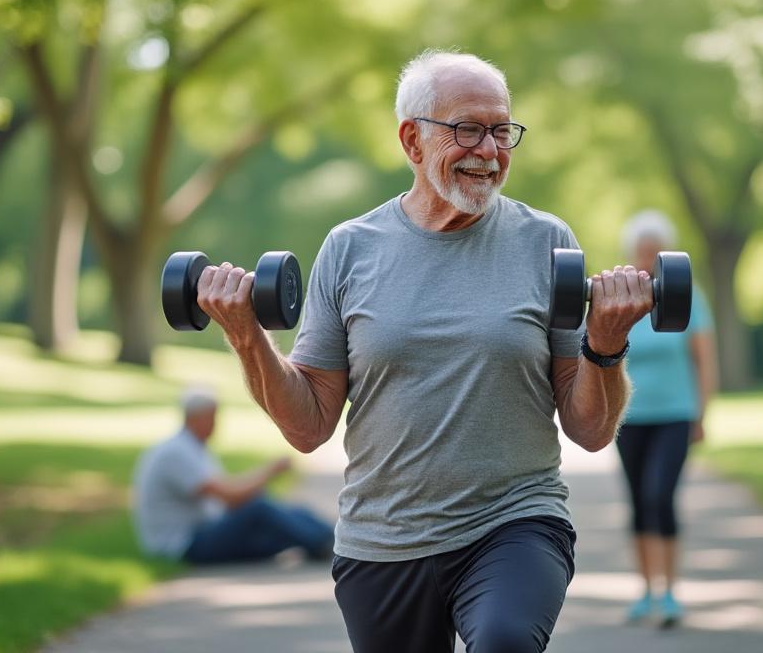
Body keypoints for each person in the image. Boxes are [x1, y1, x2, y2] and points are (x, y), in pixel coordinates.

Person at [193, 50, 654, 653]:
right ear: (412, 140)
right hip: (383, 541)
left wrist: (606, 343)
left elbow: (591, 430)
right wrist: (245, 334)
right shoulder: (350, 249)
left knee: (506, 642)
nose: (489, 150)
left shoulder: (547, 242)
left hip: (514, 523)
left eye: (501, 130)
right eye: (467, 129)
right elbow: (308, 427)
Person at [615, 209, 717, 627]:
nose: (646, 259)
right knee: (638, 499)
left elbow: (705, 361)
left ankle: (671, 592)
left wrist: (701, 413)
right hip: (629, 418)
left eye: (654, 252)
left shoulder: (688, 294)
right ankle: (645, 591)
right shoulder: (621, 294)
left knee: (661, 495)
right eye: (641, 251)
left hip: (676, 413)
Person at [131, 384, 335, 564]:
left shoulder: (192, 449)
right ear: (197, 418)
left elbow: (227, 494)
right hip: (184, 544)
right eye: (212, 417)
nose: (215, 423)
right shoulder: (175, 452)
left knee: (285, 521)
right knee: (259, 507)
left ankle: (333, 538)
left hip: (202, 532)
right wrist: (270, 472)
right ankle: (323, 543)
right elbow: (230, 497)